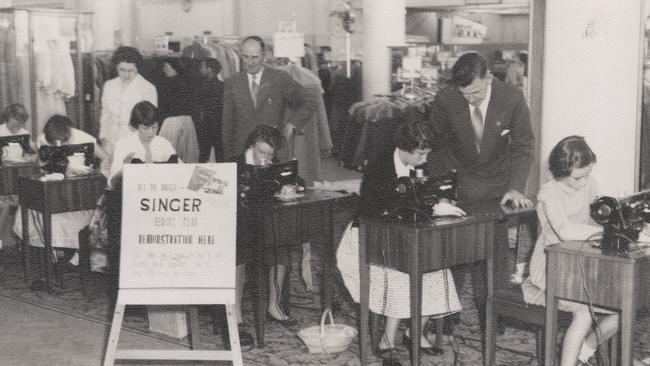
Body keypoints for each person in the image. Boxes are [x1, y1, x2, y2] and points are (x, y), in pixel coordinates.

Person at [427, 52, 535, 338]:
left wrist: (515, 186)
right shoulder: (446, 99)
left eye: (476, 93)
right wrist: (442, 193)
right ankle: (446, 315)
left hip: (497, 189)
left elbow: (524, 146)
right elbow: (435, 148)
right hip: (458, 186)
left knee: (493, 257)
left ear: (489, 78)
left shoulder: (511, 97)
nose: (470, 100)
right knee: (452, 256)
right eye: (465, 94)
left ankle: (493, 316)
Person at [337, 121, 465, 362]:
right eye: (420, 153)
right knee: (399, 277)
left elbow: (435, 191)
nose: (424, 159)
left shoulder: (421, 164)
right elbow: (379, 208)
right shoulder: (380, 167)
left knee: (437, 272)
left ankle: (414, 333)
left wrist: (443, 201)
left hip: (408, 233)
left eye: (427, 153)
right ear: (404, 147)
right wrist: (430, 207)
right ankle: (386, 339)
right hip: (370, 235)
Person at [522, 136, 646, 366]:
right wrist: (605, 233)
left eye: (587, 174)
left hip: (583, 263)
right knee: (584, 311)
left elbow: (600, 216)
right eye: (578, 177)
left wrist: (621, 223)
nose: (584, 182)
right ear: (561, 172)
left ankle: (584, 349)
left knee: (627, 305)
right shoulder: (549, 193)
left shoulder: (589, 183)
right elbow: (564, 231)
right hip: (553, 269)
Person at [230, 124, 295, 347]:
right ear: (252, 146)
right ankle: (235, 315)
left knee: (282, 247)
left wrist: (288, 188)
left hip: (262, 224)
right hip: (237, 225)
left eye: (270, 154)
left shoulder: (272, 165)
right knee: (238, 256)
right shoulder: (233, 163)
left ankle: (274, 305)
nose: (265, 158)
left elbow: (294, 180)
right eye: (261, 152)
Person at [13, 115, 108, 265]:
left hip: (78, 191)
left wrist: (93, 171)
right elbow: (40, 163)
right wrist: (46, 166)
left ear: (69, 133)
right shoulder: (43, 138)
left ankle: (75, 253)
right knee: (34, 210)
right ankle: (53, 250)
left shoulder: (83, 137)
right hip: (55, 188)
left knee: (93, 215)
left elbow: (107, 159)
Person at [221, 35, 318, 160]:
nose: (250, 63)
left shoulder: (279, 78)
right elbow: (227, 124)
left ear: (264, 55)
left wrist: (291, 124)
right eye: (245, 57)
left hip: (272, 152)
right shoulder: (232, 82)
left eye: (255, 57)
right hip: (241, 153)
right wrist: (228, 159)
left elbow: (310, 101)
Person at [99, 46, 157, 155]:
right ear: (116, 67)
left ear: (137, 68)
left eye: (131, 70)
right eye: (122, 70)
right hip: (110, 143)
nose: (126, 75)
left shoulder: (147, 88)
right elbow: (105, 115)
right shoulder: (109, 85)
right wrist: (103, 138)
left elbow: (150, 122)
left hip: (135, 144)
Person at [109, 101, 178, 189]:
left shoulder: (163, 143)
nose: (151, 132)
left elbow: (182, 169)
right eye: (145, 128)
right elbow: (112, 183)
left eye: (155, 127)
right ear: (137, 126)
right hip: (132, 195)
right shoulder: (124, 144)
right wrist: (124, 170)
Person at [156, 57, 199, 163]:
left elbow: (163, 106)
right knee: (186, 154)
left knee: (167, 153)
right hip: (187, 122)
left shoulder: (167, 84)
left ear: (173, 68)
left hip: (172, 122)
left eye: (166, 67)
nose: (164, 69)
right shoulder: (187, 82)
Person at [196, 57, 224, 162]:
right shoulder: (223, 87)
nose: (200, 70)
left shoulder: (202, 87)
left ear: (209, 69)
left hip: (207, 129)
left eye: (202, 67)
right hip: (219, 130)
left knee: (203, 159)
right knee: (221, 159)